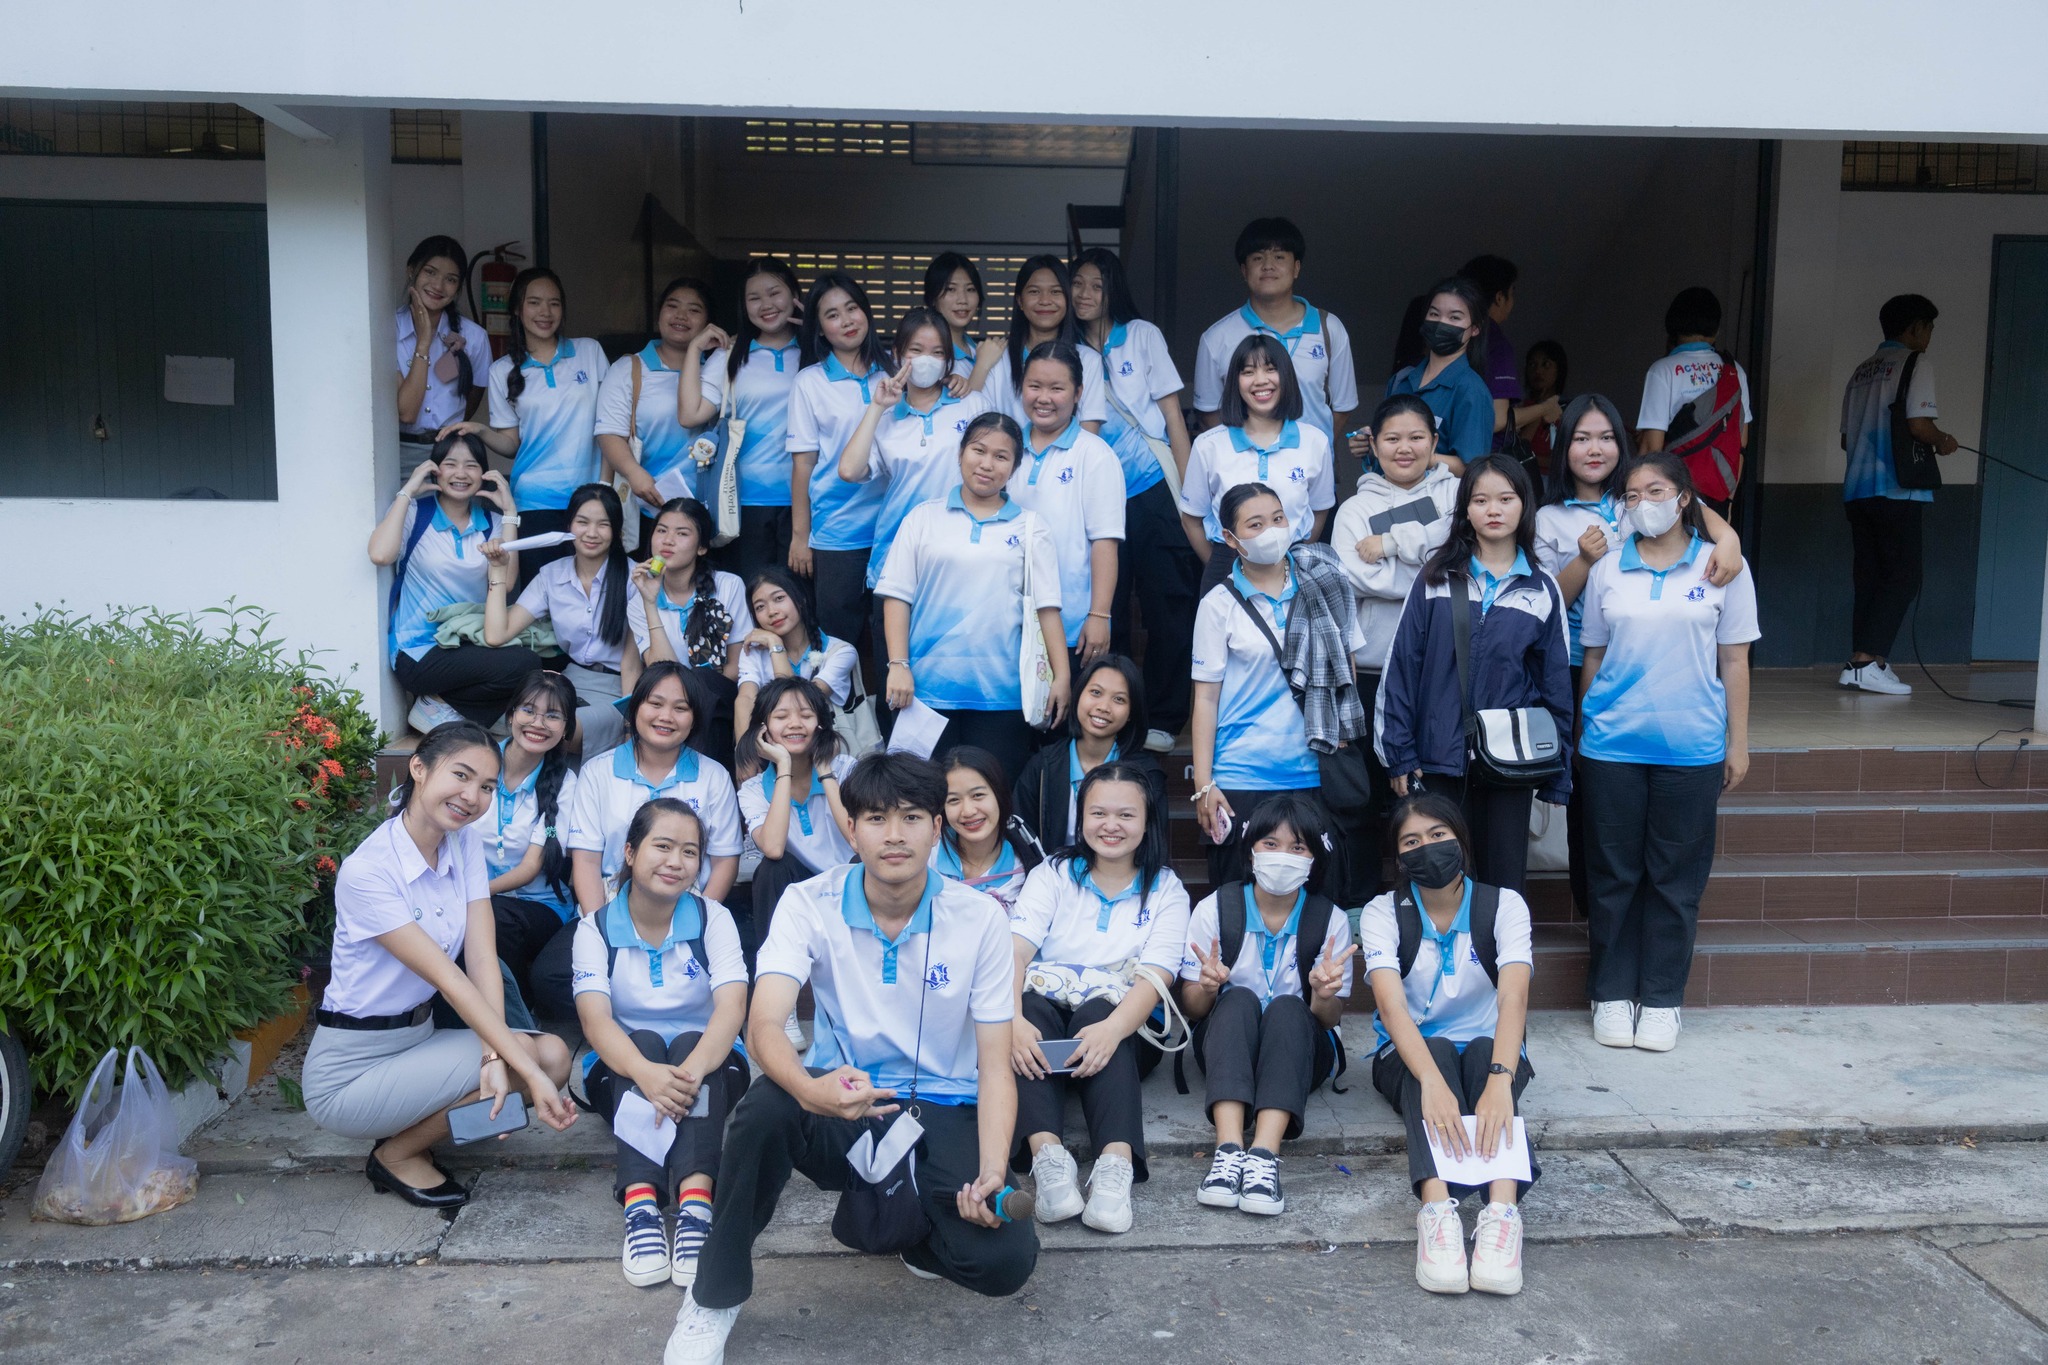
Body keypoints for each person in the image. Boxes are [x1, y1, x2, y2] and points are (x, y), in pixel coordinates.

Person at [665, 754, 1039, 1364]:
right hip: (845, 1096)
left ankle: (917, 1235)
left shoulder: (980, 920)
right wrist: (810, 1092)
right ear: (853, 829)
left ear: (937, 828)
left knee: (1004, 1263)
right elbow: (763, 1026)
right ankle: (712, 1297)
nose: (895, 835)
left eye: (913, 817)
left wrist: (993, 1168)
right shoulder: (807, 902)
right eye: (876, 818)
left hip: (944, 1104)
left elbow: (996, 1065)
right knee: (764, 1108)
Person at [302, 722, 575, 1209]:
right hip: (350, 1070)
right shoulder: (369, 872)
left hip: (419, 1040)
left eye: (487, 786)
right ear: (420, 768)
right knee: (538, 1066)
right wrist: (517, 1068)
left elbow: (481, 957)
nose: (472, 796)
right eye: (462, 775)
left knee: (550, 1055)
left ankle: (413, 1134)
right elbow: (448, 979)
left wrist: (495, 1058)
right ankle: (397, 1154)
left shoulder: (463, 842)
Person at [1534, 397, 1745, 916]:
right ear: (1564, 448)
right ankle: (1595, 911)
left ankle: (1640, 913)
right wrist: (1585, 560)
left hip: (1636, 661)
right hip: (1573, 661)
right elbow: (1544, 605)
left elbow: (1700, 516)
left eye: (1605, 437)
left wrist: (1730, 538)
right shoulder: (1547, 516)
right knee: (1588, 795)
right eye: (1581, 438)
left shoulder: (1638, 497)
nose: (1594, 448)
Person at [1578, 452, 1757, 1054]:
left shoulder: (1721, 566)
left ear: (1684, 499)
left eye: (1654, 491)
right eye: (1630, 495)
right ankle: (1609, 993)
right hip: (1611, 747)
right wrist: (1585, 727)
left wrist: (1738, 743)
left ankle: (1660, 999)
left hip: (1692, 747)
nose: (1641, 503)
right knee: (1613, 877)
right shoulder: (1608, 569)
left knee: (1676, 880)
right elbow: (1594, 656)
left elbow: (1735, 659)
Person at [1362, 792, 1537, 1297]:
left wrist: (1501, 1081)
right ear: (1399, 858)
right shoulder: (1382, 912)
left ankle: (1502, 1214)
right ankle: (1436, 1213)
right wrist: (1434, 1082)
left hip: (1491, 1053)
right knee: (1435, 1051)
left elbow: (1514, 997)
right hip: (1408, 1056)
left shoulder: (1505, 905)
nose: (1427, 847)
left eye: (1438, 835)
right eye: (1411, 841)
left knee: (1485, 1053)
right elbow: (1392, 1008)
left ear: (1460, 839)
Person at [573, 797, 750, 1290]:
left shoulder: (714, 919)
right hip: (624, 1076)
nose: (676, 862)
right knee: (643, 1041)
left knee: (697, 1037)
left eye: (690, 852)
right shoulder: (596, 928)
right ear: (630, 852)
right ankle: (642, 1207)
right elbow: (595, 1022)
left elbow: (731, 1011)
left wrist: (683, 1077)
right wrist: (649, 1074)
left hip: (709, 1072)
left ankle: (695, 1206)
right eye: (663, 846)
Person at [1376, 456, 1574, 894]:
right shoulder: (1435, 579)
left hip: (1510, 763)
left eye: (1506, 498)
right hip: (1436, 756)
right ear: (1465, 510)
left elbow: (1555, 685)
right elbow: (1402, 669)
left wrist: (1558, 772)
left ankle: (1502, 962)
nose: (1494, 509)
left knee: (1504, 885)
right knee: (1437, 877)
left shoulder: (1542, 589)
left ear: (1525, 506)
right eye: (1481, 500)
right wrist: (1400, 754)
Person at [1009, 764, 1191, 1234]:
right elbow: (1016, 952)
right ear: (1081, 817)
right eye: (1098, 812)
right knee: (1028, 1008)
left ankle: (1114, 1168)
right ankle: (1049, 1161)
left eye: (1126, 814)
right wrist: (1010, 1020)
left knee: (1098, 1009)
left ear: (1148, 821)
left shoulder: (1167, 888)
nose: (1111, 825)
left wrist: (1111, 1030)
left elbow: (1155, 977)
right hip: (1047, 1024)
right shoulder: (1053, 873)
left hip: (1128, 1031)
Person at [1179, 793, 1354, 1219]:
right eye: (1271, 844)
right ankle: (1229, 1149)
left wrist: (1323, 995)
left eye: (1298, 847)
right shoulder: (1216, 909)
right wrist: (1205, 986)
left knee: (1288, 1009)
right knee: (1236, 999)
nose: (1283, 856)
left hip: (1297, 1054)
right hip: (1228, 1052)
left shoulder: (1329, 919)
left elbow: (1328, 1021)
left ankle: (1263, 1156)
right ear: (1250, 848)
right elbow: (1195, 1009)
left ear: (1315, 857)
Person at [876, 411, 1071, 783]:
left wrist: (1061, 676)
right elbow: (897, 597)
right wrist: (898, 664)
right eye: (978, 450)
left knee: (994, 799)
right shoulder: (922, 518)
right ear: (961, 453)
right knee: (925, 796)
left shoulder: (1031, 527)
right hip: (926, 692)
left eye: (1001, 456)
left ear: (1014, 466)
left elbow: (1047, 608)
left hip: (1002, 694)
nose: (987, 464)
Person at [1190, 483, 1364, 889]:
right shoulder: (1218, 603)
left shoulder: (1326, 577)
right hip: (1242, 773)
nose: (1271, 530)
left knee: (1318, 895)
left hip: (1315, 769)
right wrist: (1204, 784)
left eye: (1277, 518)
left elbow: (1348, 664)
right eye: (1255, 524)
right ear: (1231, 540)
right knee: (1238, 897)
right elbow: (1205, 698)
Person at [1332, 394, 1461, 900]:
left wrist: (1389, 546)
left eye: (1416, 438)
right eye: (1392, 438)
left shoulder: (1457, 494)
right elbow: (1350, 576)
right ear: (1374, 446)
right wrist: (1425, 564)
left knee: (1429, 804)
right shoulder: (1354, 508)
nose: (1404, 448)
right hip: (1369, 673)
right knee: (1364, 799)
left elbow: (1459, 556)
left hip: (1437, 675)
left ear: (1434, 442)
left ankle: (1429, 904)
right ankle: (1364, 904)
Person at [1072, 246, 1200, 752]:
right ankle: (1114, 714)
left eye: (1096, 285)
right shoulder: (1067, 347)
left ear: (1113, 290)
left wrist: (1191, 496)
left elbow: (1172, 417)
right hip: (1094, 494)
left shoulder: (1142, 335)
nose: (1084, 294)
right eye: (1076, 284)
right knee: (1108, 606)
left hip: (1152, 486)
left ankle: (1165, 719)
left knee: (1169, 603)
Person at [838, 307, 993, 675]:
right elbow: (849, 470)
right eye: (916, 351)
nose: (927, 360)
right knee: (896, 670)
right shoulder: (886, 417)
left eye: (938, 353)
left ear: (949, 361)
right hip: (897, 559)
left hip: (962, 559)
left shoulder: (972, 405)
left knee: (949, 671)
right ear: (897, 356)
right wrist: (877, 407)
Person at [443, 267, 607, 591]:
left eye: (554, 303)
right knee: (544, 597)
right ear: (517, 310)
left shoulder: (590, 352)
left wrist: (605, 486)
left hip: (590, 496)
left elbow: (611, 427)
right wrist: (480, 429)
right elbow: (511, 444)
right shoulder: (502, 370)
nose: (545, 312)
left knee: (595, 590)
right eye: (534, 303)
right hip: (534, 501)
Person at [369, 432, 542, 730]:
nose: (461, 474)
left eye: (471, 465)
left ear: (484, 473)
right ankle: (445, 708)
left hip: (467, 644)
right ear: (435, 469)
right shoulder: (415, 513)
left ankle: (440, 705)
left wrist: (510, 512)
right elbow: (381, 554)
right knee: (523, 668)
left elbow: (508, 582)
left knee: (529, 665)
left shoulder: (493, 524)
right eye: (450, 464)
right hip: (417, 649)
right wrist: (409, 488)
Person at [1838, 292, 1958, 695]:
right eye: (1928, 329)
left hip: (1857, 489)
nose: (1929, 338)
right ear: (1913, 329)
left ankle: (1865, 661)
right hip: (1898, 487)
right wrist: (1942, 441)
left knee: (1870, 575)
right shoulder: (1914, 361)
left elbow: (1844, 438)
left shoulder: (1861, 370)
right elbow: (1919, 425)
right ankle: (1867, 662)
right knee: (1904, 575)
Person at [1179, 334, 1336, 598]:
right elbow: (1191, 518)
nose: (1261, 380)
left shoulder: (1314, 441)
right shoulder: (1209, 444)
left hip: (1293, 566)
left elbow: (1320, 511)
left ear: (1285, 376)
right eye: (1248, 372)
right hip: (1227, 564)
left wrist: (1291, 557)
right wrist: (1223, 562)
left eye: (1271, 369)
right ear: (1235, 382)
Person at [1001, 342, 1126, 669]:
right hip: (1005, 620)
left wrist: (1099, 615)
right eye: (1034, 386)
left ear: (1078, 392)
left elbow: (1105, 542)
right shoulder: (1005, 449)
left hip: (1070, 624)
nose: (1044, 398)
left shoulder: (1095, 455)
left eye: (1057, 388)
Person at [483, 482, 629, 755]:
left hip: (618, 690)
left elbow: (633, 662)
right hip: (569, 683)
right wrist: (498, 570)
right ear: (568, 526)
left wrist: (631, 721)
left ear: (617, 531)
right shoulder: (552, 575)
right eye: (582, 522)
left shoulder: (634, 578)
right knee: (520, 726)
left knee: (559, 731)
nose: (591, 533)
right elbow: (496, 634)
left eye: (603, 524)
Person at [788, 272, 892, 653]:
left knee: (890, 644)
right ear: (819, 329)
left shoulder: (897, 371)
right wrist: (802, 537)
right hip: (837, 533)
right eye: (833, 314)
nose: (847, 320)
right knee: (838, 647)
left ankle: (884, 715)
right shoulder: (809, 383)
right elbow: (803, 466)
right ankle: (839, 716)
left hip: (893, 530)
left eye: (853, 308)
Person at [682, 258, 804, 582]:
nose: (766, 305)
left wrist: (816, 326)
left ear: (794, 295)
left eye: (775, 293)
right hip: (743, 503)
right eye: (754, 298)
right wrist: (695, 349)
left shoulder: (816, 351)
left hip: (807, 502)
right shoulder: (732, 354)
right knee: (750, 598)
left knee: (799, 602)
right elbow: (689, 414)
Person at [1190, 217, 1357, 448]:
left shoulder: (1329, 328)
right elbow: (1209, 413)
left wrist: (1314, 450)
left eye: (1279, 257)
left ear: (1296, 267)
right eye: (1258, 258)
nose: (1268, 265)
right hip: (1243, 476)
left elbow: (1343, 406)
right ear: (1244, 270)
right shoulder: (1217, 337)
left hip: (1310, 474)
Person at [481, 671, 582, 1013]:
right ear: (510, 714)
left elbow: (529, 869)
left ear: (566, 729)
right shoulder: (477, 762)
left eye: (553, 715)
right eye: (528, 710)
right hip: (477, 895)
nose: (538, 723)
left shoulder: (566, 783)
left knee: (495, 916)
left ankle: (515, 1014)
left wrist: (472, 893)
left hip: (539, 906)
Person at [627, 496, 752, 767]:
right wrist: (650, 602)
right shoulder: (639, 601)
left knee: (702, 683)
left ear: (702, 547)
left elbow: (737, 666)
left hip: (721, 694)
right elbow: (661, 669)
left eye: (682, 533)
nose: (668, 540)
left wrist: (695, 697)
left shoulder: (729, 586)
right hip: (671, 699)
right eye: (661, 531)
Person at [595, 277, 720, 545]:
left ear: (708, 321)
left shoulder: (718, 369)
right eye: (672, 306)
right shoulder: (629, 369)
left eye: (694, 310)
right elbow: (609, 433)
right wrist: (634, 473)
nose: (681, 316)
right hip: (646, 505)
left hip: (708, 509)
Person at [735, 676, 857, 942]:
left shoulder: (846, 769)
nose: (794, 724)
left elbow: (859, 840)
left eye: (806, 715)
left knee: (864, 862)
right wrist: (784, 766)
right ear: (763, 729)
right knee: (771, 869)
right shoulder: (753, 790)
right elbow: (773, 848)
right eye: (781, 716)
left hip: (851, 884)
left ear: (821, 724)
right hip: (799, 891)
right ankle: (775, 970)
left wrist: (825, 771)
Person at [1012, 654, 1164, 854]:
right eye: (1095, 692)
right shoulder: (1043, 766)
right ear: (1077, 696)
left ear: (1131, 713)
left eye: (1119, 699)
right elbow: (1021, 840)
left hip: (1121, 879)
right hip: (1053, 879)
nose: (1103, 707)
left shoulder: (1146, 773)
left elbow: (1154, 850)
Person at [1634, 286, 1752, 514]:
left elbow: (1652, 448)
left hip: (1674, 497)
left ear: (1673, 325)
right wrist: (1728, 502)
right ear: (1715, 328)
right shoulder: (1734, 371)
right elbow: (1742, 441)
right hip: (1719, 495)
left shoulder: (1662, 370)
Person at [963, 254, 1109, 433]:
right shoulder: (997, 356)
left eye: (1055, 292)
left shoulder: (1088, 360)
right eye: (1034, 291)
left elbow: (1089, 433)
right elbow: (973, 421)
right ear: (1020, 301)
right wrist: (982, 365)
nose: (1045, 300)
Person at [1379, 277, 1494, 473]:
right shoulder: (1402, 381)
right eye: (1434, 314)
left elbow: (1472, 468)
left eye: (1454, 317)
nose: (1442, 323)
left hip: (1437, 502)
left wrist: (1419, 456)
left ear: (1475, 328)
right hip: (1389, 497)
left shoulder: (1471, 390)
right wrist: (1370, 443)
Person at [733, 565, 861, 738]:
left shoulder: (841, 651)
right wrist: (746, 755)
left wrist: (775, 645)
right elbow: (745, 699)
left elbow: (797, 703)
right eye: (760, 607)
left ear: (801, 599)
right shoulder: (753, 652)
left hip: (828, 749)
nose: (772, 611)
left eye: (779, 598)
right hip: (775, 747)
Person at [395, 235, 489, 449]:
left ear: (458, 287)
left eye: (451, 279)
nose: (438, 285)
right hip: (397, 452)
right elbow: (406, 413)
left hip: (452, 452)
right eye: (430, 272)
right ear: (411, 271)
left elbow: (472, 399)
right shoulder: (386, 332)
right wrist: (423, 343)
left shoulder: (475, 337)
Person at [936, 747, 1042, 915]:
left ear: (999, 794)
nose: (968, 811)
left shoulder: (1025, 867)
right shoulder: (927, 856)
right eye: (954, 800)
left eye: (977, 795)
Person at [923, 252, 987, 379]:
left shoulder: (978, 350)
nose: (962, 299)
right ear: (933, 297)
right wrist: (983, 365)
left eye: (970, 289)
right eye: (951, 289)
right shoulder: (928, 355)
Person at [1517, 340, 1569, 476]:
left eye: (1546, 364)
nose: (1538, 371)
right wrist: (1542, 408)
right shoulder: (1520, 408)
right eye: (1532, 365)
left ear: (1559, 370)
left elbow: (1565, 461)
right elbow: (1520, 450)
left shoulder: (1568, 410)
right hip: (1523, 478)